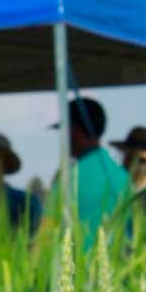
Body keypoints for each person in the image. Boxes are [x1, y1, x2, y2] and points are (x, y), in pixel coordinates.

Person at [50, 97, 129, 243]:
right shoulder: (124, 177)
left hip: (76, 264)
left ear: (74, 130)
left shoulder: (69, 179)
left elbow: (45, 237)